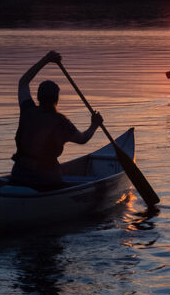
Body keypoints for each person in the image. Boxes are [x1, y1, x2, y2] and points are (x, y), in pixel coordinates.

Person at [10, 50, 103, 190]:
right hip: (47, 180)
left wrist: (46, 59)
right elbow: (83, 139)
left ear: (38, 98)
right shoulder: (61, 122)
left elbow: (23, 83)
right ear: (57, 99)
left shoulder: (27, 110)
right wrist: (94, 125)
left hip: (18, 176)